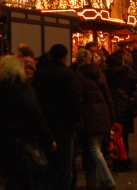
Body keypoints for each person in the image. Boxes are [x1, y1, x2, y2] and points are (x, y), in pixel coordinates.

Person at [0, 56, 55, 190]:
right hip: (24, 142)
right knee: (27, 178)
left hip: (5, 142)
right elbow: (36, 116)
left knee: (13, 179)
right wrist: (48, 138)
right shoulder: (23, 89)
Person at [31, 44, 82, 190]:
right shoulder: (68, 75)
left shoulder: (41, 75)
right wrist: (75, 120)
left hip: (47, 125)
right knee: (65, 167)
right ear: (65, 57)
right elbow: (74, 101)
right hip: (65, 126)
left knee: (49, 166)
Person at [74, 48, 115, 190]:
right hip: (103, 115)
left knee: (94, 149)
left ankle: (108, 180)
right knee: (97, 150)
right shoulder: (100, 74)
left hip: (90, 117)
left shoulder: (79, 76)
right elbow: (108, 96)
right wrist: (112, 116)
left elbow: (79, 99)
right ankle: (95, 182)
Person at [105, 52, 137, 171]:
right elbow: (135, 81)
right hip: (124, 106)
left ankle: (116, 160)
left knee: (114, 135)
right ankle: (124, 159)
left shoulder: (105, 74)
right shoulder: (126, 72)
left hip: (112, 107)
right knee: (124, 135)